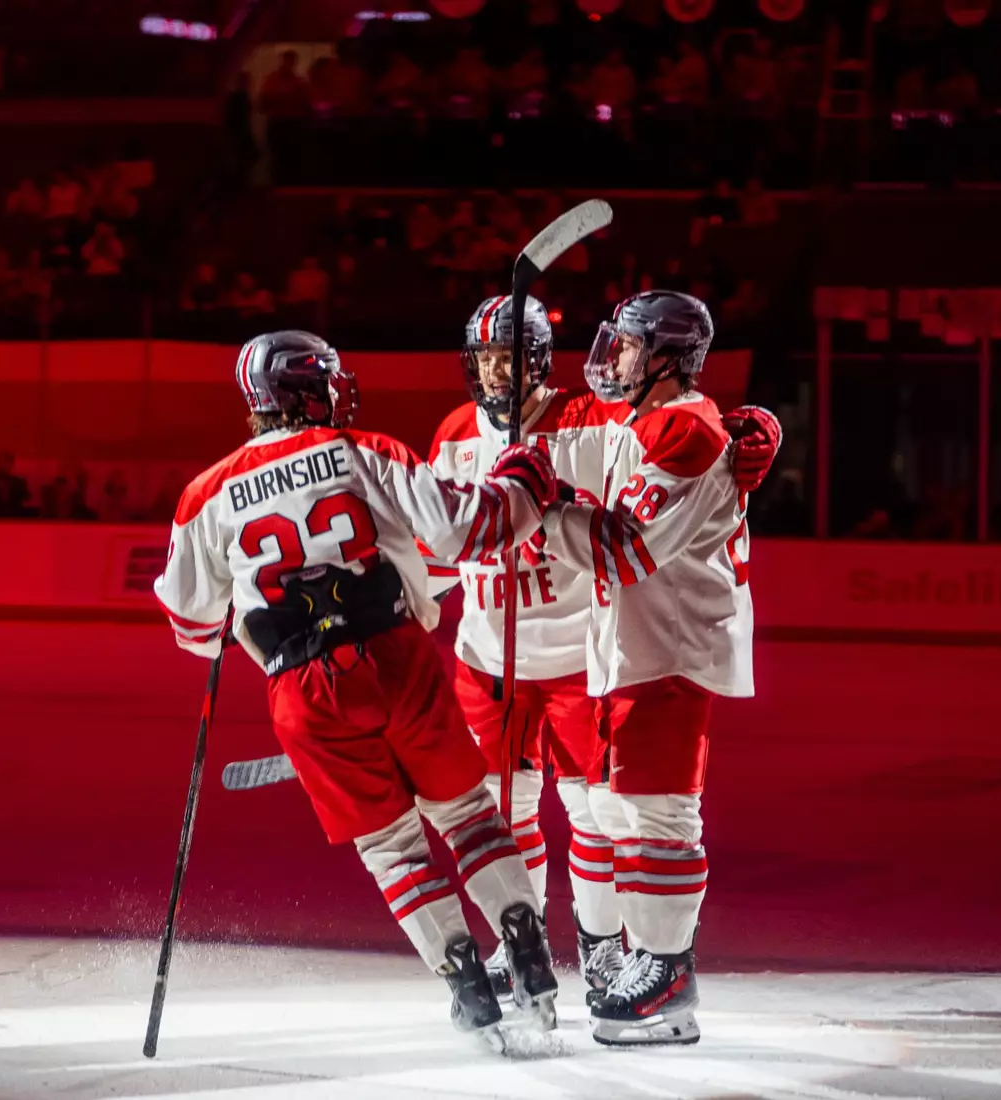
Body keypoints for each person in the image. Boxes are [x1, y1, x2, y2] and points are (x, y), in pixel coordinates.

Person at [154, 330, 561, 1043]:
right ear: (305, 389)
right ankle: (519, 930)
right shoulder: (366, 450)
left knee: (393, 847)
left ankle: (462, 972)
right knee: (466, 814)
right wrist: (522, 479)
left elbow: (192, 627)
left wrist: (245, 616)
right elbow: (464, 529)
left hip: (304, 693)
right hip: (398, 655)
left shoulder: (205, 494)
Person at [430, 296, 780, 1009]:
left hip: (578, 655)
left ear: (537, 359)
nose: (497, 371)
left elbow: (684, 451)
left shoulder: (594, 417)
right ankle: (516, 943)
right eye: (486, 358)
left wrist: (759, 428)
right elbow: (437, 547)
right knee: (504, 814)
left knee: (600, 812)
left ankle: (604, 949)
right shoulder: (456, 433)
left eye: (510, 356)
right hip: (487, 660)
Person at [535, 290, 772, 1046]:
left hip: (669, 648)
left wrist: (541, 511)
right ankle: (653, 958)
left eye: (632, 348)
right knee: (626, 810)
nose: (618, 359)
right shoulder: (649, 422)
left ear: (668, 358)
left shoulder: (684, 430)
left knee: (661, 813)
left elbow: (624, 548)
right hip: (635, 646)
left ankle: (668, 974)